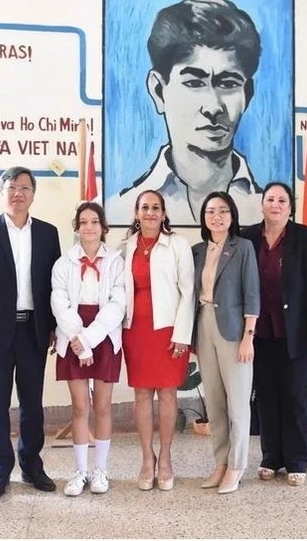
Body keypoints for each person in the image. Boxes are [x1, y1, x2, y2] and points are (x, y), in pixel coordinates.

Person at [105, 0, 264, 226]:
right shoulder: (119, 212)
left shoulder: (266, 213)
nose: (213, 107)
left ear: (247, 94)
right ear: (159, 91)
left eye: (228, 83)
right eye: (194, 83)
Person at [0, 166, 62, 500]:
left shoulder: (49, 234)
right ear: (2, 192)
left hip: (34, 329)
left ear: (33, 194)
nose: (18, 193)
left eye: (25, 187)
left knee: (32, 403)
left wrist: (53, 326)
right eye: (11, 187)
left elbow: (56, 286)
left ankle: (32, 465)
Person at [239, 182, 307, 487]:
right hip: (259, 332)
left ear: (290, 207)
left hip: (296, 332)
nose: (275, 204)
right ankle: (271, 456)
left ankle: (296, 460)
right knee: (265, 396)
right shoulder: (247, 236)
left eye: (282, 200)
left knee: (294, 396)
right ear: (262, 204)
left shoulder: (306, 238)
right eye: (270, 199)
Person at [121, 189, 195, 491]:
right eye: (144, 207)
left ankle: (165, 459)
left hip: (168, 330)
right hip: (135, 330)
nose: (150, 212)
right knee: (141, 395)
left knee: (166, 394)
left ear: (164, 213)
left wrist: (182, 334)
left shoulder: (178, 245)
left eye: (155, 207)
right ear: (136, 213)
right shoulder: (125, 247)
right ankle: (146, 459)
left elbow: (188, 292)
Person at [50, 202, 126, 496]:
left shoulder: (116, 262)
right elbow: (59, 304)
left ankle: (100, 471)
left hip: (104, 334)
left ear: (103, 227)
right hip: (72, 336)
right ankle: (80, 471)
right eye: (83, 222)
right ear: (77, 227)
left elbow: (118, 304)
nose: (89, 227)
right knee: (81, 406)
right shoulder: (63, 263)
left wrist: (90, 339)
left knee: (103, 406)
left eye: (95, 221)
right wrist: (79, 343)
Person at [191, 192, 259, 494]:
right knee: (215, 403)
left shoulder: (243, 248)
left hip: (234, 331)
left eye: (222, 211)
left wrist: (248, 336)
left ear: (232, 216)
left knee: (238, 404)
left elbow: (252, 293)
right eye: (210, 211)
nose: (216, 216)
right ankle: (220, 461)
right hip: (203, 326)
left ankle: (237, 465)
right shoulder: (196, 251)